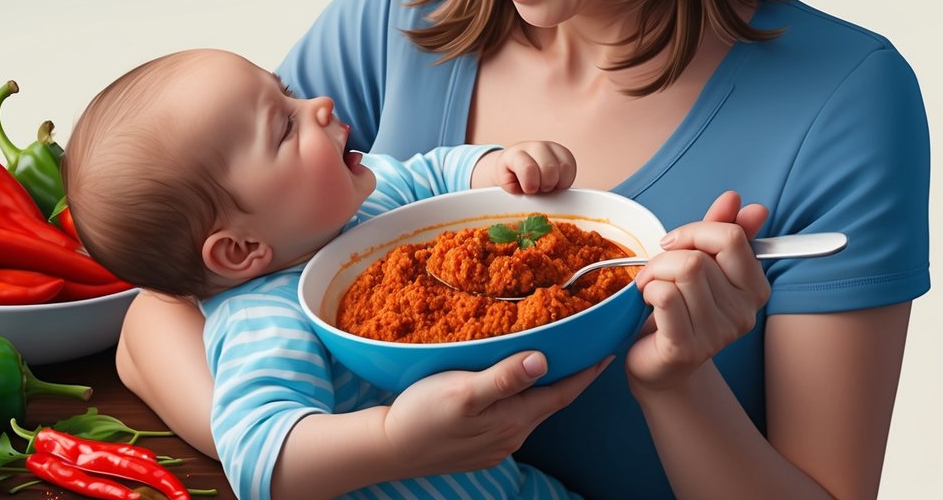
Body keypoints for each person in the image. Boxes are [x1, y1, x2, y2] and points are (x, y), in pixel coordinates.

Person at [115, 0, 931, 498]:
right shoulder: (408, 3)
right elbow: (156, 318)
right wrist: (347, 456)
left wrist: (676, 383)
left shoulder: (843, 105)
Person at [63, 47, 596, 499]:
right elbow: (260, 452)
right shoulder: (265, 317)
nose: (317, 106)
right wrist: (394, 442)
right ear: (242, 249)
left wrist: (501, 168)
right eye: (283, 128)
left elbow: (434, 174)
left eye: (287, 92)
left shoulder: (373, 193)